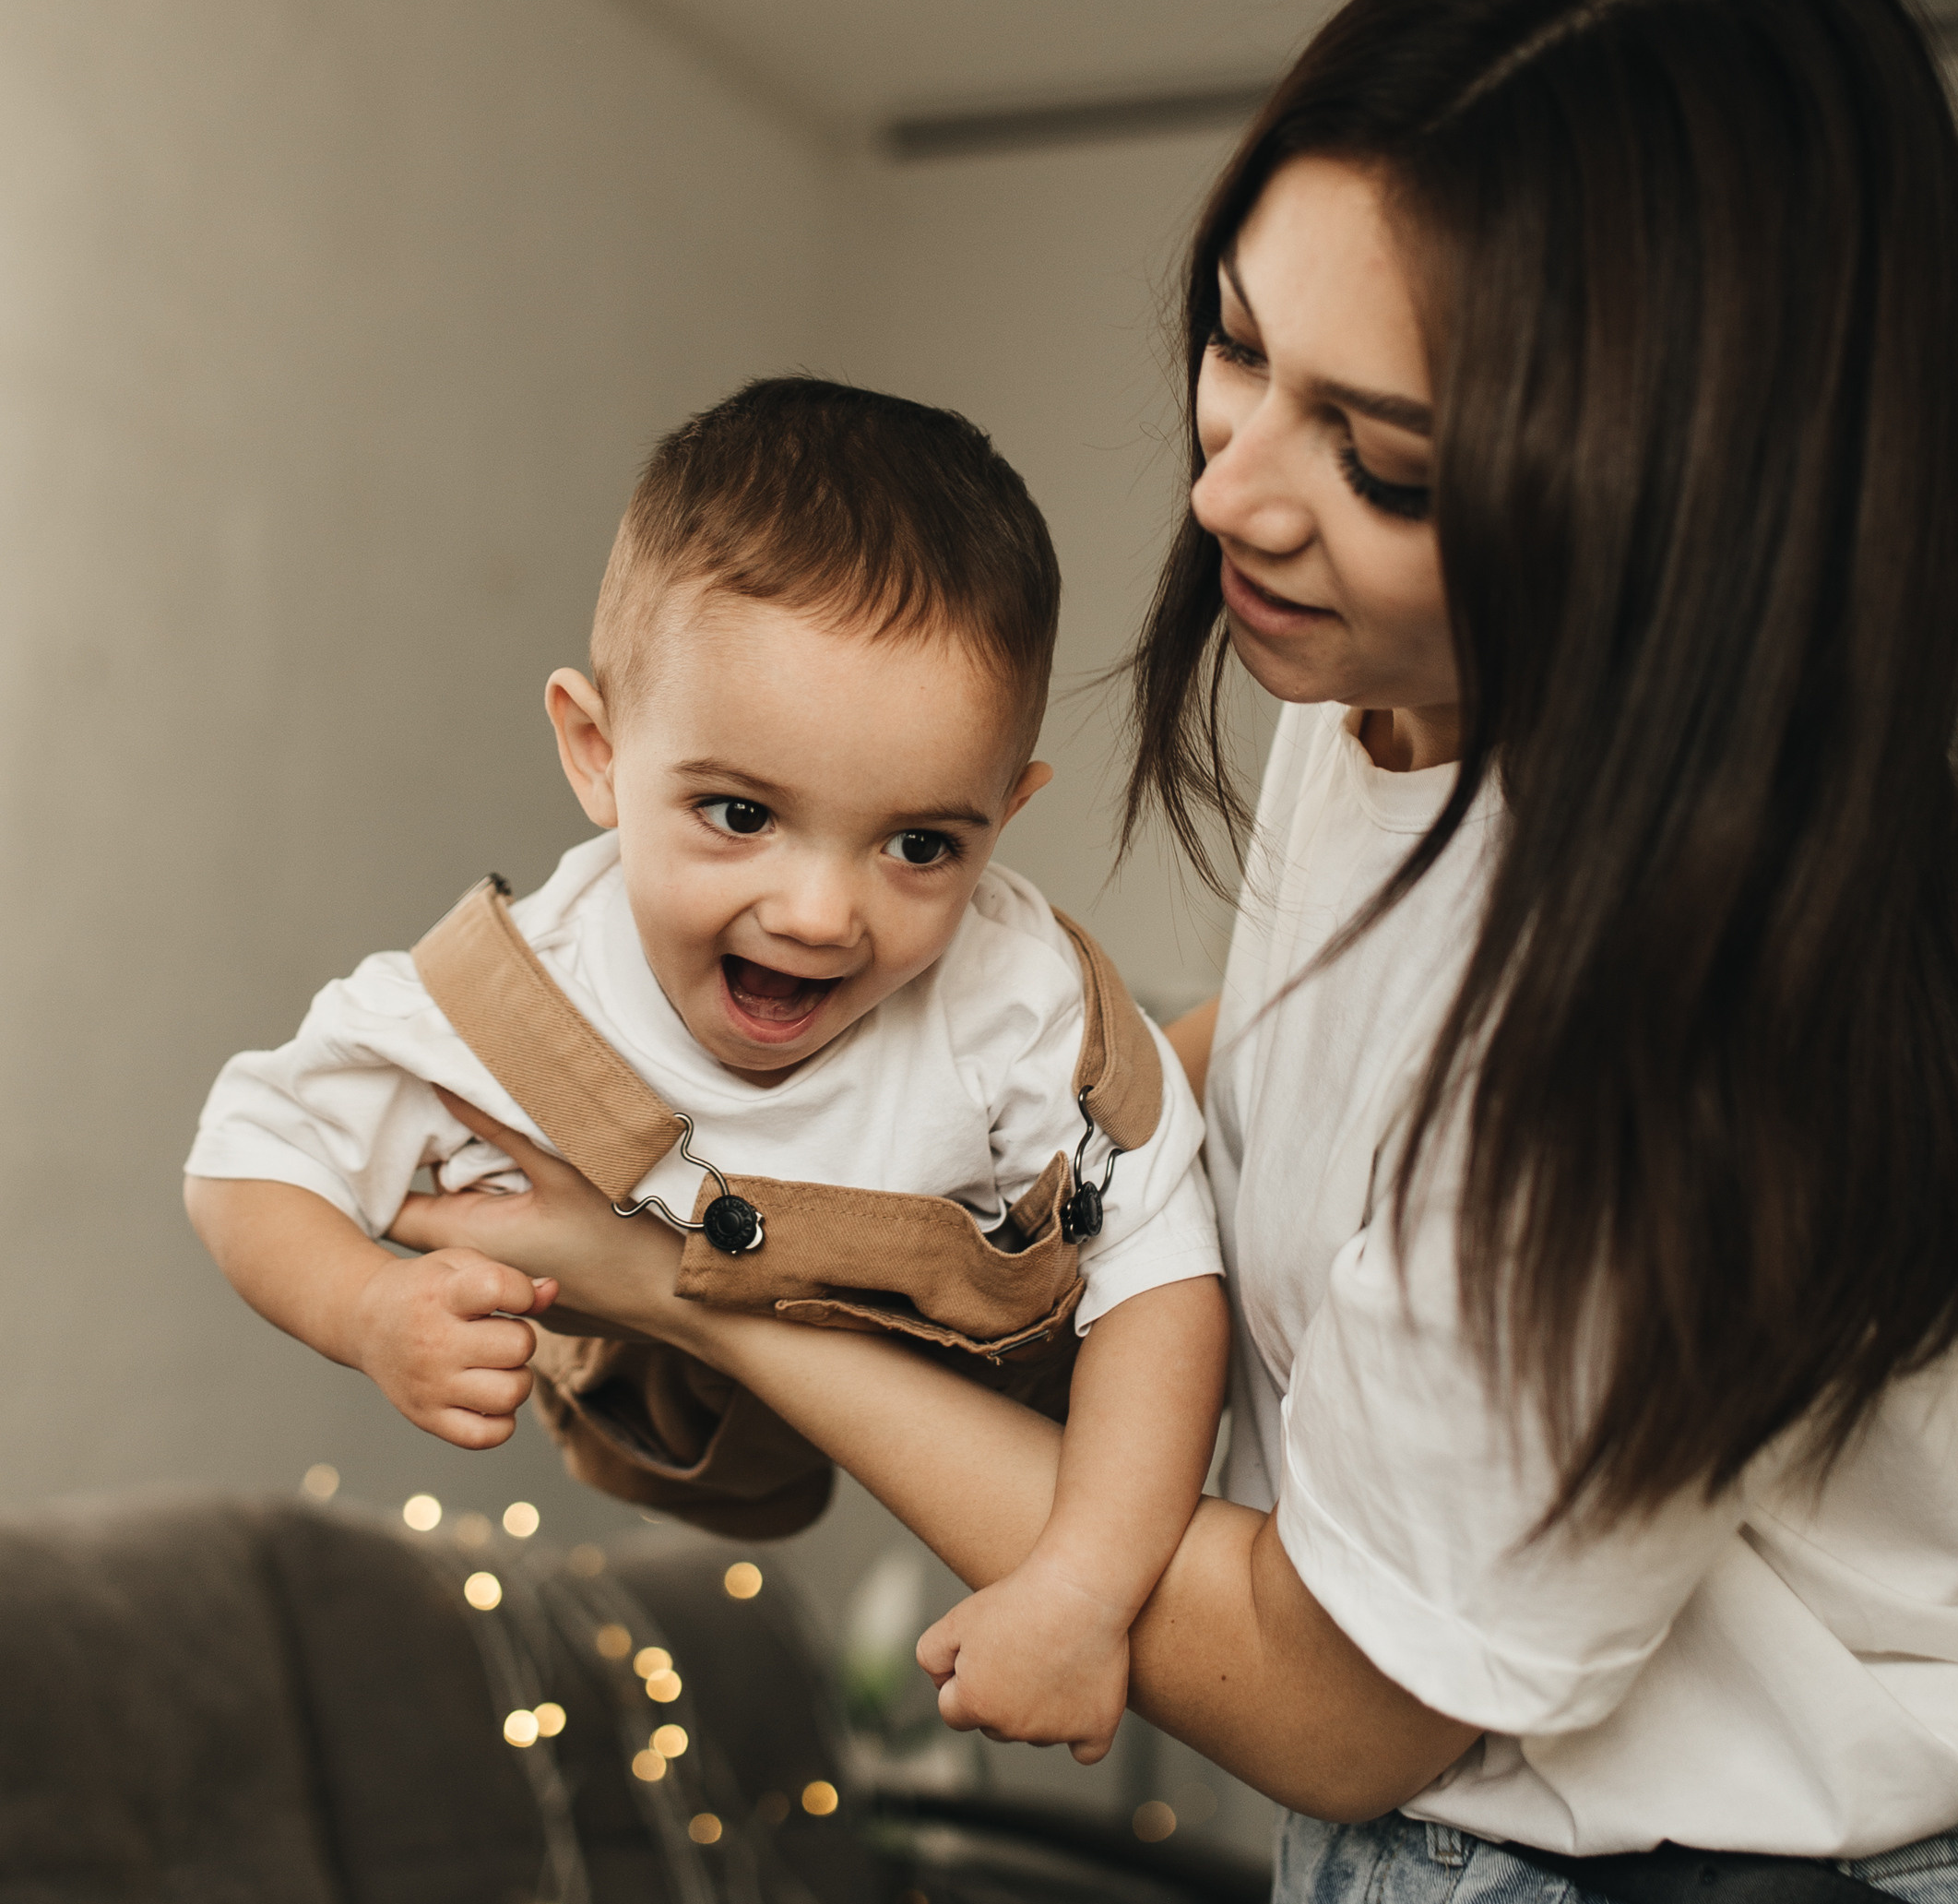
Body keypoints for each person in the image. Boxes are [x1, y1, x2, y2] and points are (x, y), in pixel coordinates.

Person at [385, 0, 1958, 1904]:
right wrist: (841, 1163)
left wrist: (713, 1292)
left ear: (1668, 494)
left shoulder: (1676, 1023)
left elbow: (1331, 1696)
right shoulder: (1376, 712)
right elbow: (1261, 1087)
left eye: (1382, 453)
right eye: (1234, 344)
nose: (1225, 491)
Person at [184, 377, 1227, 1766]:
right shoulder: (516, 998)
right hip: (657, 1411)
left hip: (991, 1387)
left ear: (1005, 814)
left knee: (1164, 1153)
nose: (818, 915)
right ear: (597, 752)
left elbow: (1165, 1290)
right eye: (739, 815)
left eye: (920, 844)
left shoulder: (1019, 1008)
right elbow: (246, 1155)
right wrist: (368, 1304)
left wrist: (1081, 1592)